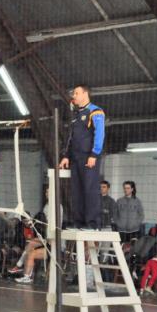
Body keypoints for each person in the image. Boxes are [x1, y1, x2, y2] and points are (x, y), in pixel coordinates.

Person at [58, 85, 105, 230]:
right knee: (76, 191)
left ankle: (92, 223)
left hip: (88, 157)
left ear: (85, 94)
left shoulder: (95, 111)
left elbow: (99, 134)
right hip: (75, 158)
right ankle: (78, 222)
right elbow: (71, 137)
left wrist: (94, 154)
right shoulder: (76, 115)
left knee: (89, 190)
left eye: (76, 93)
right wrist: (66, 156)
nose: (74, 96)